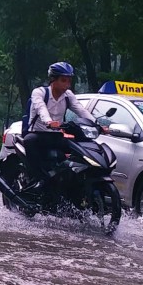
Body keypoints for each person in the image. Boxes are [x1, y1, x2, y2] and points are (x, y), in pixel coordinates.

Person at [22, 61, 104, 189]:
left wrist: (98, 125)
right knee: (29, 140)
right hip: (38, 134)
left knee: (80, 147)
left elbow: (81, 110)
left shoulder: (68, 95)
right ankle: (37, 178)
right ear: (53, 79)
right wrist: (48, 121)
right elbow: (41, 108)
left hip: (56, 135)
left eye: (69, 81)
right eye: (63, 80)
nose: (67, 85)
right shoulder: (40, 93)